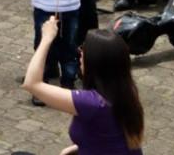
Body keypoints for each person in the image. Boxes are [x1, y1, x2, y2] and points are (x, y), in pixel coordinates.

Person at [23, 19, 145, 155]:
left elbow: (31, 83)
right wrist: (78, 148)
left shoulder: (92, 103)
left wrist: (46, 38)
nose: (80, 53)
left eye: (83, 49)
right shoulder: (125, 91)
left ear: (95, 62)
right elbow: (112, 138)